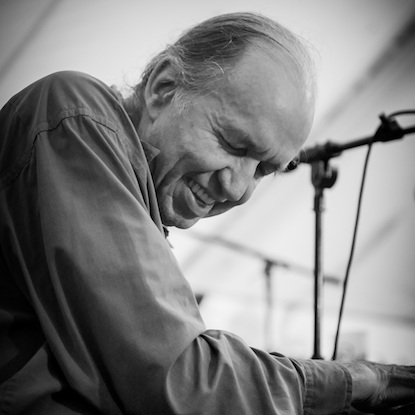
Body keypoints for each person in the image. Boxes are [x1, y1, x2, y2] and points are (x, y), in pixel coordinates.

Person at [0, 11, 414, 415]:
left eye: (264, 171)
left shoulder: (137, 191)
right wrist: (360, 381)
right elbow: (182, 380)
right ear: (164, 87)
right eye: (234, 144)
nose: (237, 188)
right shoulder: (76, 116)